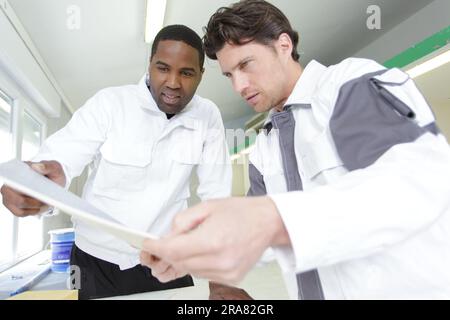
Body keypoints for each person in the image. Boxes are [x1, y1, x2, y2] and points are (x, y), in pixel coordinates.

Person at [139, 1, 450, 299]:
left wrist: (273, 217)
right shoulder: (265, 147)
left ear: (283, 45)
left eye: (246, 64)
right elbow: (261, 240)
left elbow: (416, 183)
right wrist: (194, 253)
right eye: (229, 75)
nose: (239, 85)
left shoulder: (346, 86)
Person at [1, 25, 251, 300]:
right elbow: (62, 157)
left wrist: (220, 278)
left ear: (201, 75)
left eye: (187, 73)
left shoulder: (208, 116)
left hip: (167, 258)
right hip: (94, 261)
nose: (173, 82)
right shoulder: (110, 104)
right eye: (163, 68)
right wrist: (37, 186)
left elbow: (216, 197)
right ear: (150, 65)